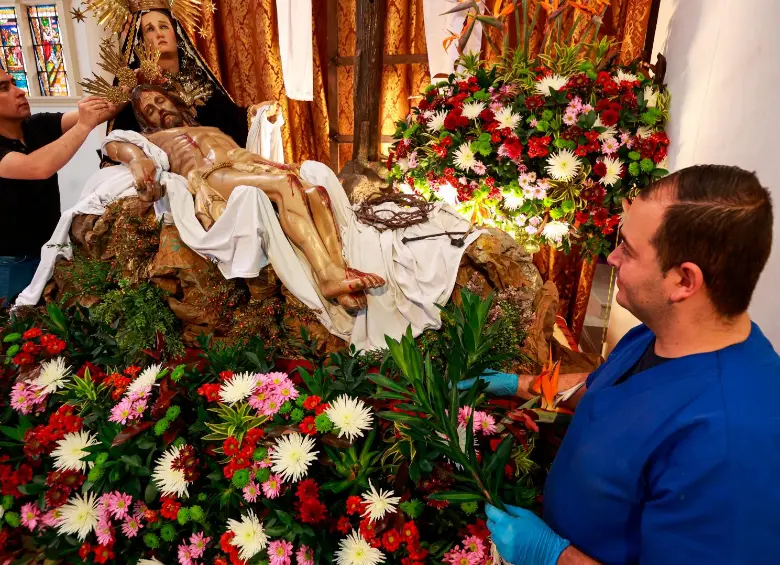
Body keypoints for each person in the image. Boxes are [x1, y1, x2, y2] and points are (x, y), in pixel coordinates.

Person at [461, 165, 779, 564]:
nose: (611, 257)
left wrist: (552, 556)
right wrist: (517, 384)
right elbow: (604, 388)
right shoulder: (656, 333)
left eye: (628, 249)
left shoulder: (730, 442)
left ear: (684, 281)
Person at [105, 84, 384, 312]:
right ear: (145, 121)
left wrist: (274, 156)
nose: (159, 110)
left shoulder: (212, 129)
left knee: (315, 192)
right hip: (212, 176)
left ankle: (337, 271)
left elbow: (247, 152)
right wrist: (136, 159)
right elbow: (113, 144)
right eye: (149, 110)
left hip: (246, 166)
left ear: (174, 100)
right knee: (284, 185)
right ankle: (327, 277)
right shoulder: (152, 139)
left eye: (160, 100)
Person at [0, 70, 116, 303]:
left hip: (49, 251)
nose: (20, 90)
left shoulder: (36, 125)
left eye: (14, 83)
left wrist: (137, 80)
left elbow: (104, 111)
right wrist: (83, 125)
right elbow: (38, 168)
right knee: (15, 333)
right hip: (11, 264)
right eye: (4, 88)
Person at [108, 7, 275, 148]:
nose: (159, 34)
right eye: (150, 29)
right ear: (141, 42)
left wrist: (255, 112)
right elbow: (122, 140)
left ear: (176, 34)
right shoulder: (139, 90)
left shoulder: (197, 78)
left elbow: (230, 119)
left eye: (164, 26)